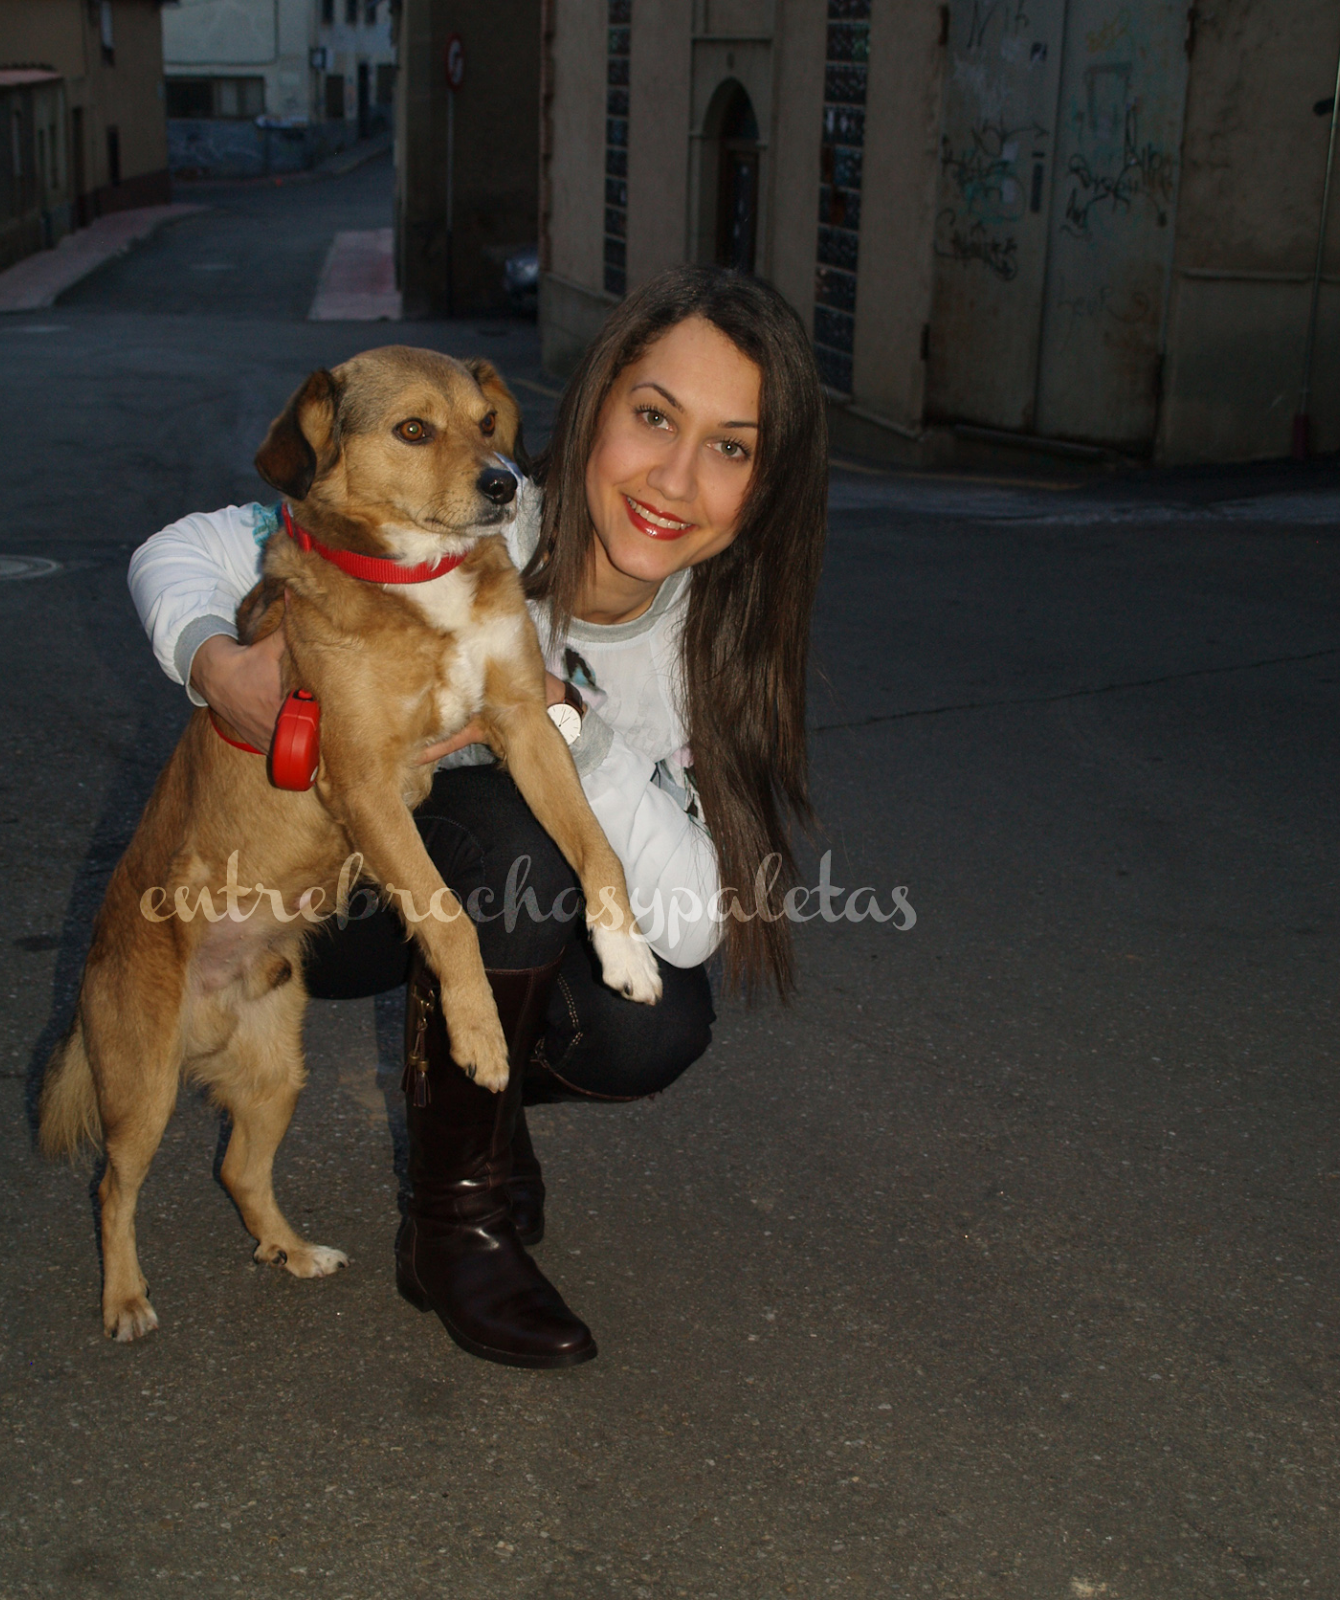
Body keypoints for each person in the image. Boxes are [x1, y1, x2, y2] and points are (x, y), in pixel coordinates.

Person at [127, 265, 828, 1368]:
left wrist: (574, 727)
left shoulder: (713, 648)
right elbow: (184, 548)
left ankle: (476, 1141)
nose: (675, 477)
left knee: (654, 1021)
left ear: (764, 483)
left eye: (730, 447)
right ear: (592, 407)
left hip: (494, 897)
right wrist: (217, 666)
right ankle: (458, 1229)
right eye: (653, 417)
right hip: (339, 889)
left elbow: (690, 925)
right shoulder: (470, 500)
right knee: (507, 840)